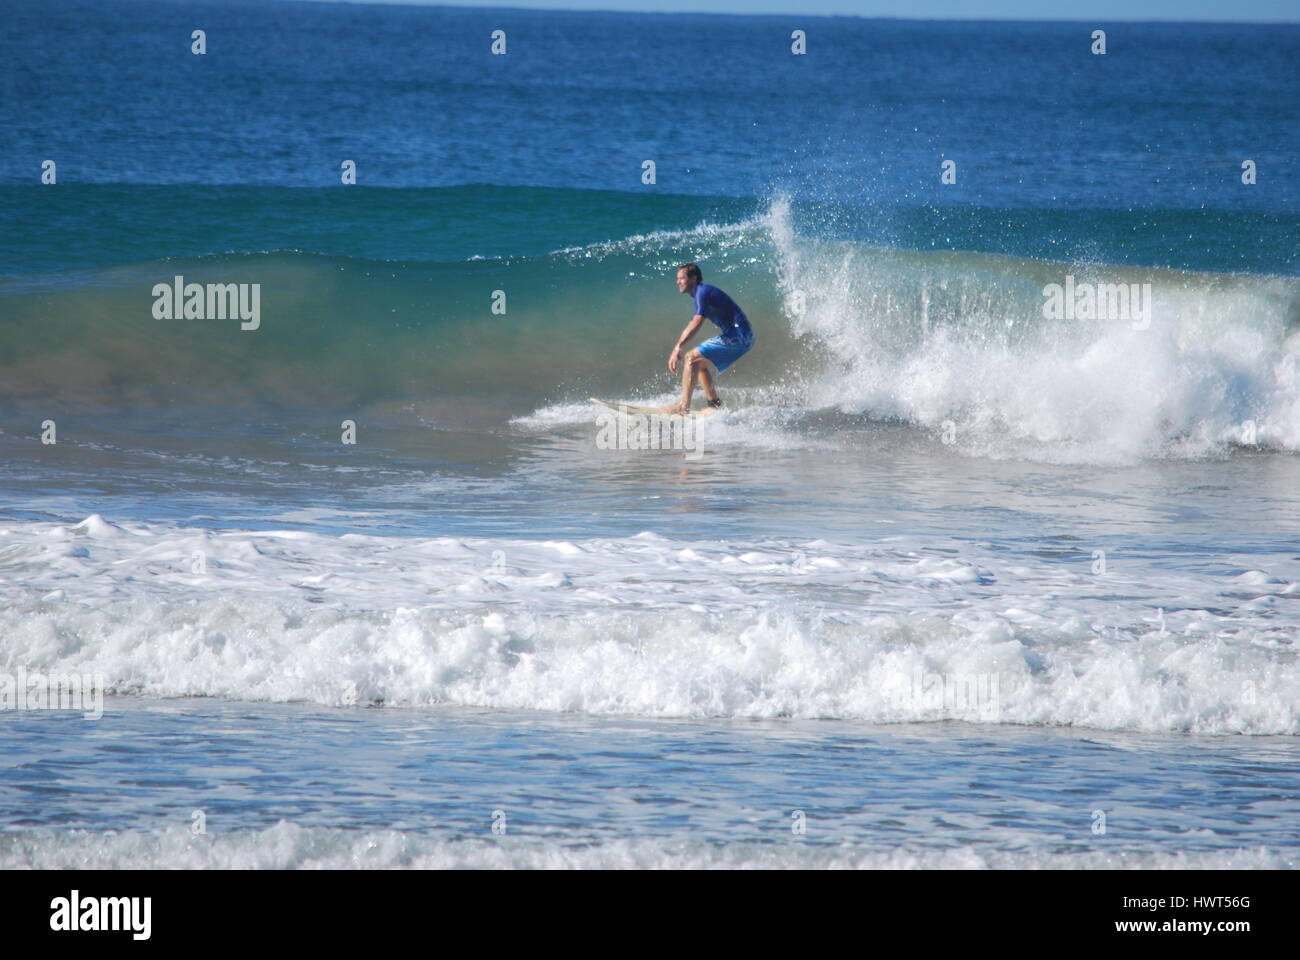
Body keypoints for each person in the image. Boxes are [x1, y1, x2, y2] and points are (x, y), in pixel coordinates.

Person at [661, 263, 754, 415]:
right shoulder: (700, 295)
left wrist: (678, 347)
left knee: (690, 357)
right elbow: (693, 322)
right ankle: (715, 405)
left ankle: (683, 407)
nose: (678, 282)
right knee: (699, 364)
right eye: (677, 279)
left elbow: (697, 322)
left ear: (693, 278)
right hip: (743, 335)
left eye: (681, 278)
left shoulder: (702, 292)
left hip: (740, 334)